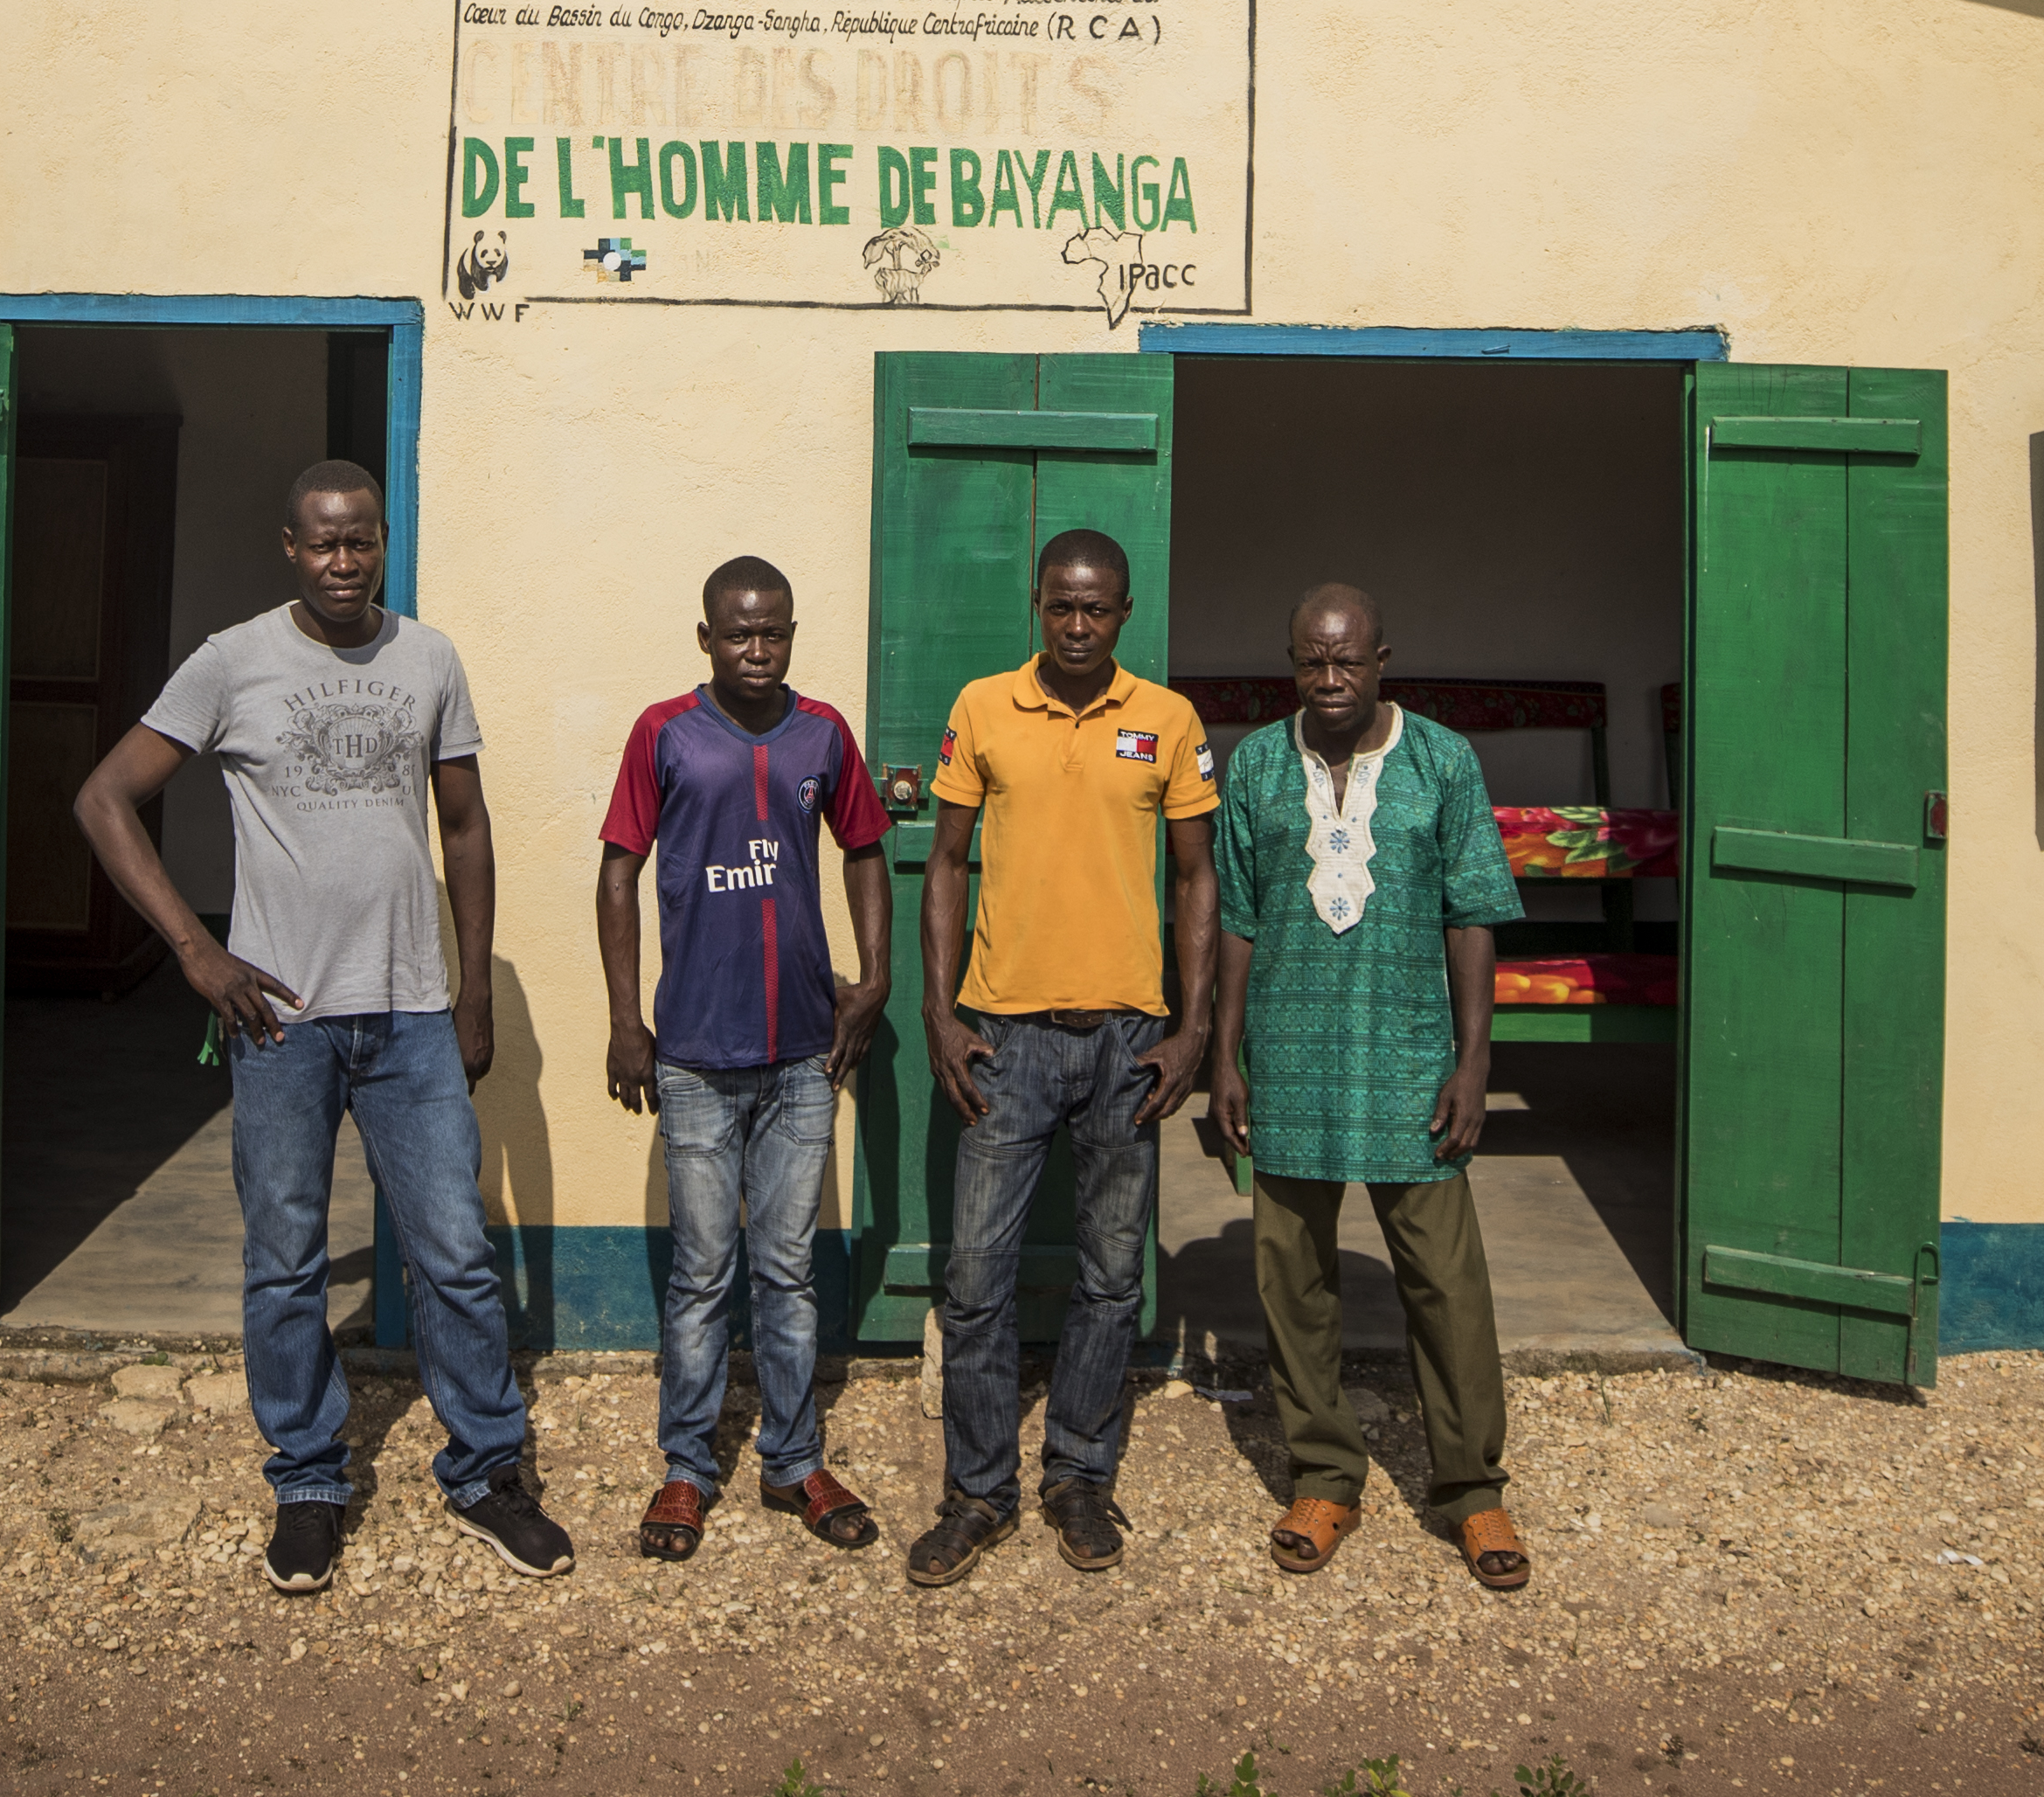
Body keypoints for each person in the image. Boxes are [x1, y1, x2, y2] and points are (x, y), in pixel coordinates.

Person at [73, 460, 572, 1594]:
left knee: (453, 1252)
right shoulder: (232, 662)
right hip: (280, 1026)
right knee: (286, 1262)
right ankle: (307, 1480)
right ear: (289, 548)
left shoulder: (427, 657)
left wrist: (471, 988)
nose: (344, 563)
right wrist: (195, 952)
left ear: (381, 543)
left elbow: (465, 823)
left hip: (406, 1016)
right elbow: (103, 798)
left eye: (362, 543)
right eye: (323, 544)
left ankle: (487, 1473)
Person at [904, 526, 1220, 1586]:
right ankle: (979, 1491)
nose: (1077, 625)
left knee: (1108, 1276)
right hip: (1006, 1038)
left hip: (1131, 1042)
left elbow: (1196, 882)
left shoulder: (1167, 721)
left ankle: (1080, 1474)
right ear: (1038, 605)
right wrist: (941, 1014)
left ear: (1125, 612)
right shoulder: (982, 706)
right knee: (978, 1278)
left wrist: (1193, 1029)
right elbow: (945, 863)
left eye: (1097, 608)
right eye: (1060, 606)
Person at [1203, 582, 1528, 1592]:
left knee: (1445, 1282)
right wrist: (1225, 1053)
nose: (1329, 679)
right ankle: (1325, 1473)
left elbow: (1474, 910)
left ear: (1384, 657)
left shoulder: (1441, 760)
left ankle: (1472, 1489)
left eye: (1347, 660)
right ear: (1291, 661)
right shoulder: (1259, 761)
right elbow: (1240, 920)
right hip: (1289, 1058)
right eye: (1310, 661)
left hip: (1410, 1060)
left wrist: (1473, 1059)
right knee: (1291, 1281)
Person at [593, 555, 898, 1561]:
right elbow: (618, 870)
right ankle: (685, 1467)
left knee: (788, 1269)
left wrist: (875, 973)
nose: (756, 650)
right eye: (738, 633)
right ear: (706, 638)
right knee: (701, 1271)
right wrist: (625, 1019)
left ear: (791, 634)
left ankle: (793, 1458)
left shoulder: (823, 733)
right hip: (692, 1053)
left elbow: (863, 846)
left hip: (804, 1054)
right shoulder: (664, 732)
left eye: (773, 633)